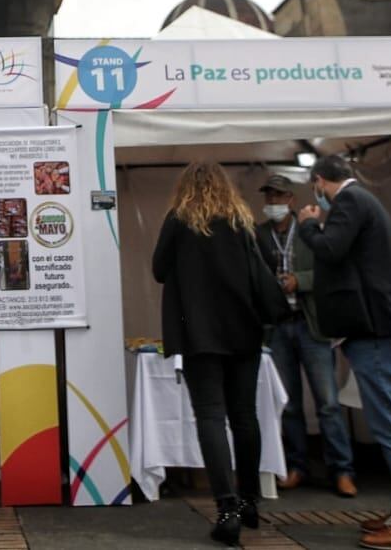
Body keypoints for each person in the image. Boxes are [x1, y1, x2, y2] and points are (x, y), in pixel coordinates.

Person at [297, 155, 391, 550]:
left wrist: (308, 224)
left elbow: (329, 248)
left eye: (316, 190)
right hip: (376, 332)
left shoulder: (351, 202)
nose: (317, 199)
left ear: (320, 181)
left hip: (378, 335)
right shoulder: (361, 204)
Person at [151, 162, 266, 546]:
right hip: (244, 330)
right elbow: (258, 273)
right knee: (245, 416)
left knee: (211, 417)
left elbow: (158, 269)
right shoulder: (240, 220)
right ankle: (250, 500)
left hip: (200, 333)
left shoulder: (179, 220)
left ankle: (227, 508)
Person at [255, 174, 356, 497]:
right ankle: (296, 466)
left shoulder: (311, 230)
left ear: (292, 200)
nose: (274, 204)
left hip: (311, 324)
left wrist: (300, 280)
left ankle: (342, 470)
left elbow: (332, 269)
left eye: (280, 198)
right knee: (289, 404)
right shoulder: (258, 234)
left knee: (327, 403)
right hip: (278, 326)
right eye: (269, 198)